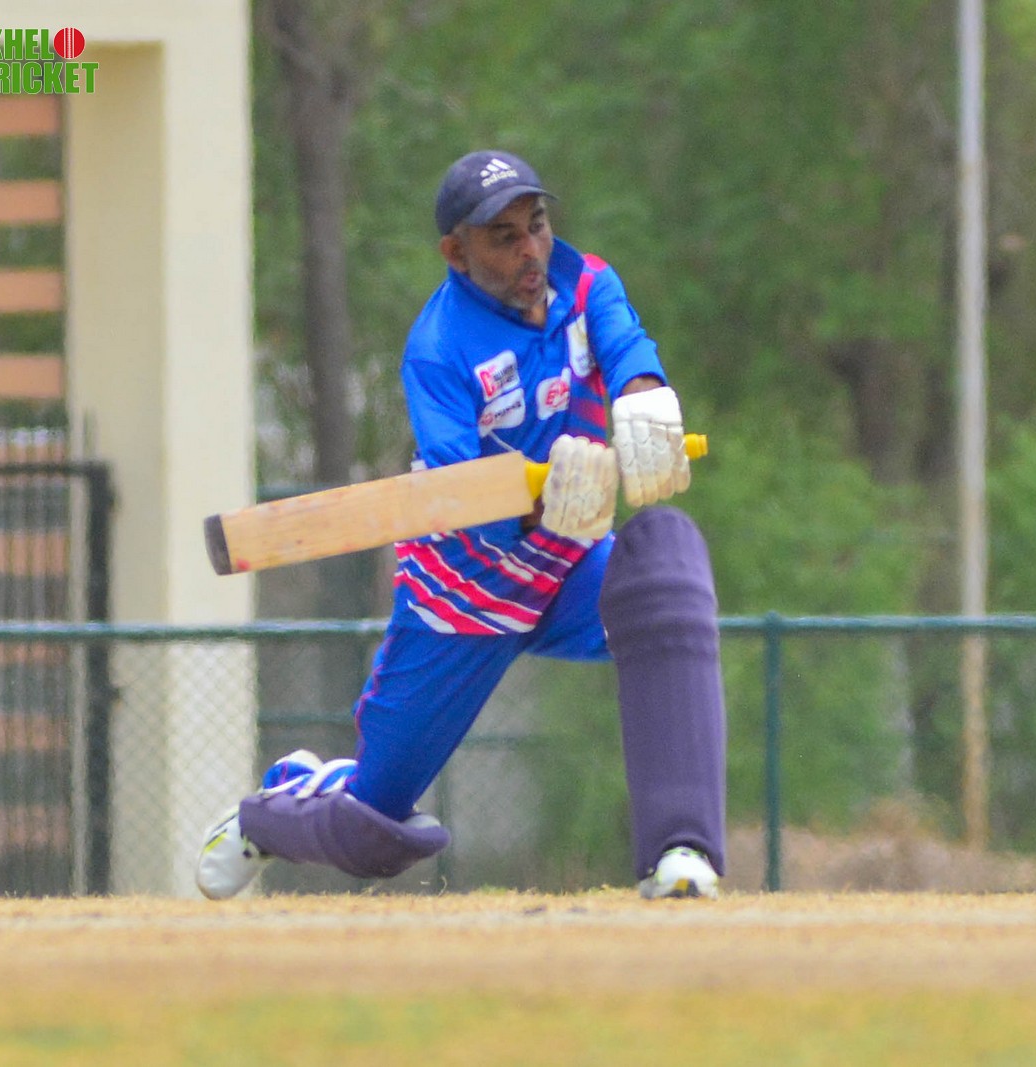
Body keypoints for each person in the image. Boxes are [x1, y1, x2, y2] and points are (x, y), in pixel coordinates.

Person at [196, 150, 728, 901]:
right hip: (464, 594)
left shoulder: (586, 283)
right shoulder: (439, 348)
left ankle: (681, 852)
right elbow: (458, 498)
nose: (529, 251)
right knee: (371, 829)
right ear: (457, 252)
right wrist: (546, 504)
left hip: (570, 568)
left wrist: (644, 400)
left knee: (668, 571)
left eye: (536, 226)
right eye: (503, 238)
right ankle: (275, 810)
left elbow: (628, 350)